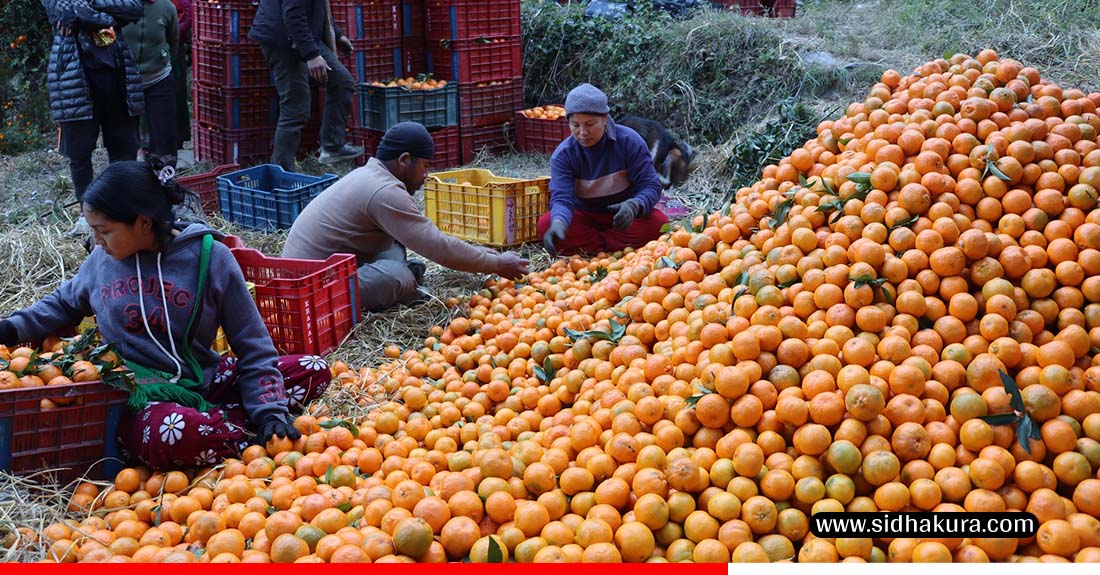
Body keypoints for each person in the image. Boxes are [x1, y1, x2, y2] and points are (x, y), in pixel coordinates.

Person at [0, 161, 330, 469]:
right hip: (138, 396)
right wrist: (11, 328)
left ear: (143, 222)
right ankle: (225, 427)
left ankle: (224, 422)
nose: (96, 240)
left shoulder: (210, 258)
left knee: (313, 369)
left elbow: (253, 344)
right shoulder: (101, 262)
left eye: (104, 230)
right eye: (93, 230)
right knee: (177, 433)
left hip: (204, 377)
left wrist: (269, 410)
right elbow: (60, 304)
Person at [281, 122, 530, 312]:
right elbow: (437, 247)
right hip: (311, 287)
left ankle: (402, 274)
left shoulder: (373, 174)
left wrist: (492, 256)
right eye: (425, 166)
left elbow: (426, 236)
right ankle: (404, 277)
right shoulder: (384, 192)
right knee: (397, 277)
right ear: (404, 160)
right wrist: (496, 264)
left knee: (397, 244)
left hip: (338, 263)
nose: (426, 175)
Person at [41, 0, 146, 234]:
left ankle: (123, 207)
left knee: (124, 148)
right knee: (80, 153)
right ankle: (87, 214)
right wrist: (110, 18)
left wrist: (92, 4)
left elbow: (134, 8)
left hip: (118, 76)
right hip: (74, 80)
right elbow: (66, 12)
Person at [537, 83, 668, 256]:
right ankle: (610, 246)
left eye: (590, 124)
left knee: (658, 223)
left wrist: (634, 205)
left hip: (623, 215)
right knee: (545, 225)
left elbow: (651, 185)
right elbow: (562, 198)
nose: (583, 132)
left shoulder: (629, 141)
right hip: (584, 216)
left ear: (605, 118)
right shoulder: (564, 155)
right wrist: (560, 222)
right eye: (575, 125)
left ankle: (593, 247)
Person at [248, 0, 363, 170]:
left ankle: (332, 146)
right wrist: (311, 55)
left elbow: (317, 6)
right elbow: (293, 14)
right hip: (282, 40)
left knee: (342, 81)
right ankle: (280, 175)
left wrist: (336, 34)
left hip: (301, 33)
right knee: (296, 110)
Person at [122, 0, 179, 166]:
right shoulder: (116, 6)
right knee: (124, 138)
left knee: (165, 136)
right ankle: (129, 178)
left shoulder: (166, 7)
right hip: (126, 81)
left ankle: (166, 180)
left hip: (159, 77)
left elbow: (173, 40)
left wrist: (162, 59)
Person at [169, 0, 191, 150]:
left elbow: (189, 15)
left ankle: (177, 138)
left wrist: (173, 32)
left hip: (174, 46)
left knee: (177, 94)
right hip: (152, 48)